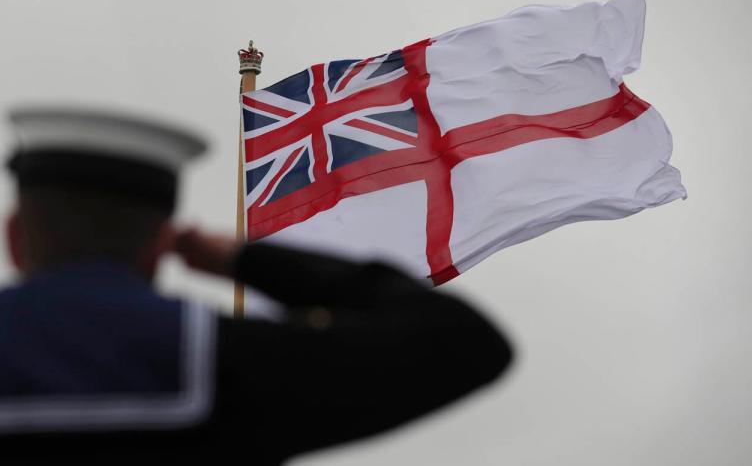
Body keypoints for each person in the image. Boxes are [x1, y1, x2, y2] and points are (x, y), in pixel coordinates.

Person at [0, 106, 513, 464]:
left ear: (14, 236)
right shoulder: (232, 361)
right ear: (161, 245)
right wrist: (247, 261)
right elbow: (464, 343)